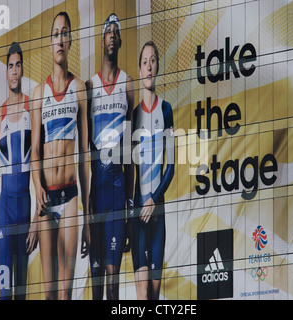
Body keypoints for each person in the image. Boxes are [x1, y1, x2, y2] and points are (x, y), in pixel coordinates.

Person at [31, 11, 89, 300]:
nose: (60, 39)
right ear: (50, 42)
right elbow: (34, 153)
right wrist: (38, 187)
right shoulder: (38, 93)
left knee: (65, 294)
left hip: (69, 195)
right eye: (55, 34)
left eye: (65, 33)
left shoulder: (79, 89)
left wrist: (87, 211)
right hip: (46, 197)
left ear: (70, 41)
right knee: (49, 293)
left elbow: (85, 152)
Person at [85, 13, 134, 300]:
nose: (113, 35)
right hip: (96, 191)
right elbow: (84, 150)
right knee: (96, 278)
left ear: (120, 40)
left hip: (116, 189)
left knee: (113, 279)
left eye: (116, 32)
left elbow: (130, 152)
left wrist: (128, 204)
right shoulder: (89, 87)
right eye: (108, 32)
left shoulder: (128, 83)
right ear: (102, 40)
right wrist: (85, 201)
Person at [0, 42, 38, 300]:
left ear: (22, 70)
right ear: (6, 73)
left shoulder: (32, 109)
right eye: (10, 66)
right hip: (5, 218)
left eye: (18, 65)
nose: (14, 71)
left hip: (25, 215)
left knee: (22, 294)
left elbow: (38, 161)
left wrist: (37, 221)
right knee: (4, 294)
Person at [131, 41, 175, 300]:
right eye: (145, 61)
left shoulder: (166, 110)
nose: (149, 66)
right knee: (142, 297)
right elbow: (129, 171)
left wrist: (154, 198)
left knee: (155, 299)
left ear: (158, 67)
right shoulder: (133, 115)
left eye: (153, 61)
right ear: (139, 69)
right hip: (138, 218)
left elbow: (171, 167)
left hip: (158, 214)